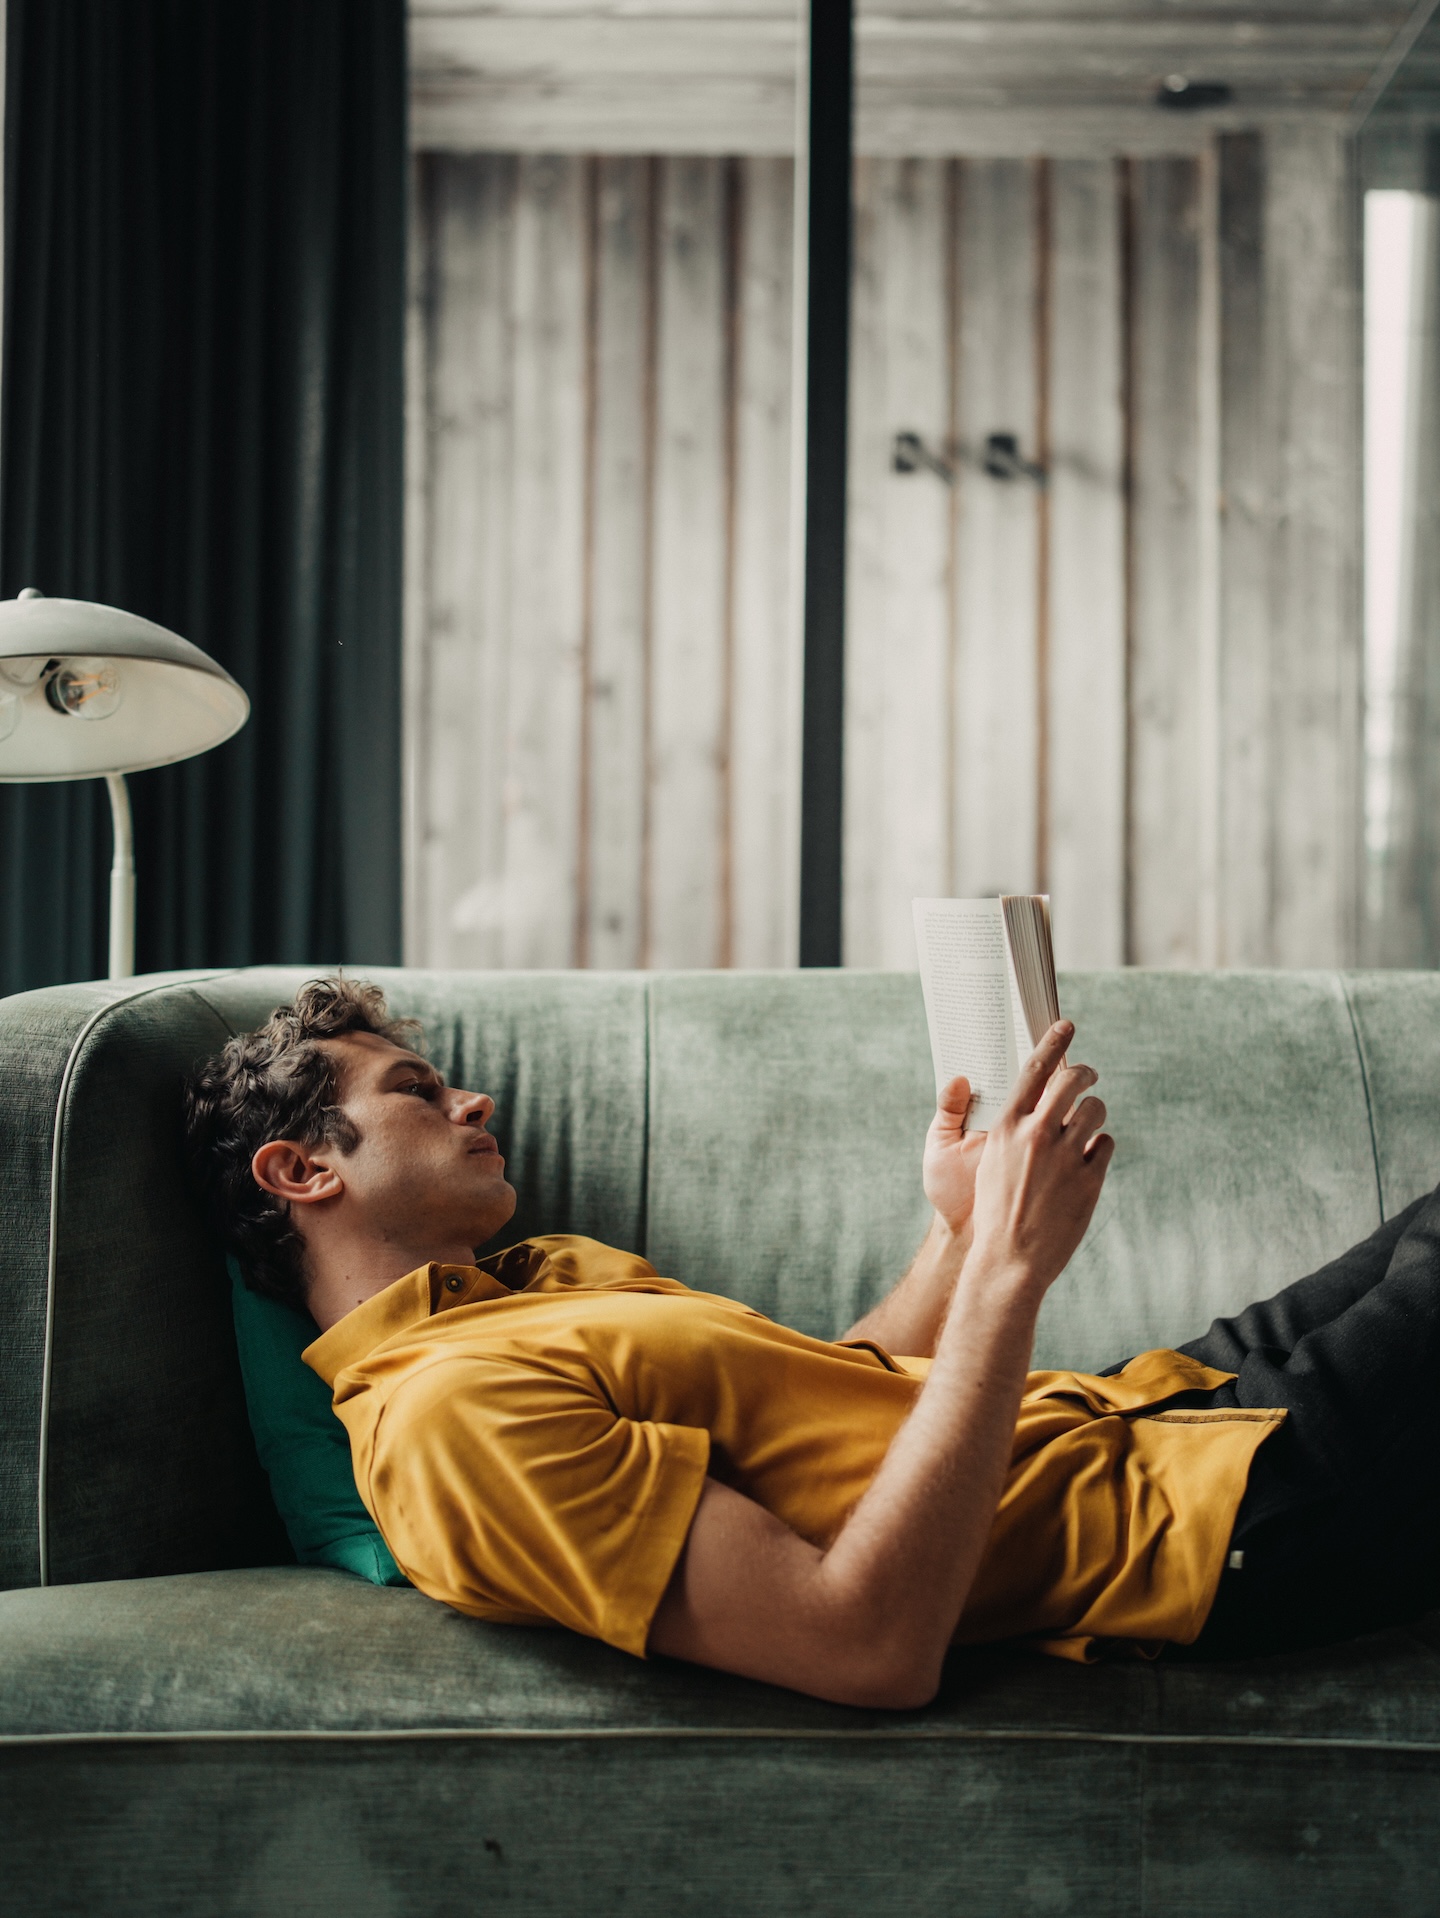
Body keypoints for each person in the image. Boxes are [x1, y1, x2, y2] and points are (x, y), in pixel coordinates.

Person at [184, 979, 1440, 1707]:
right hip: (1206, 1526)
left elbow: (831, 1415)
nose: (473, 1098)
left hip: (1166, 1409)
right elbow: (862, 1642)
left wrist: (957, 1238)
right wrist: (1009, 1273)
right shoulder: (449, 1422)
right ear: (301, 1171)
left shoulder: (534, 1281)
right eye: (414, 1090)